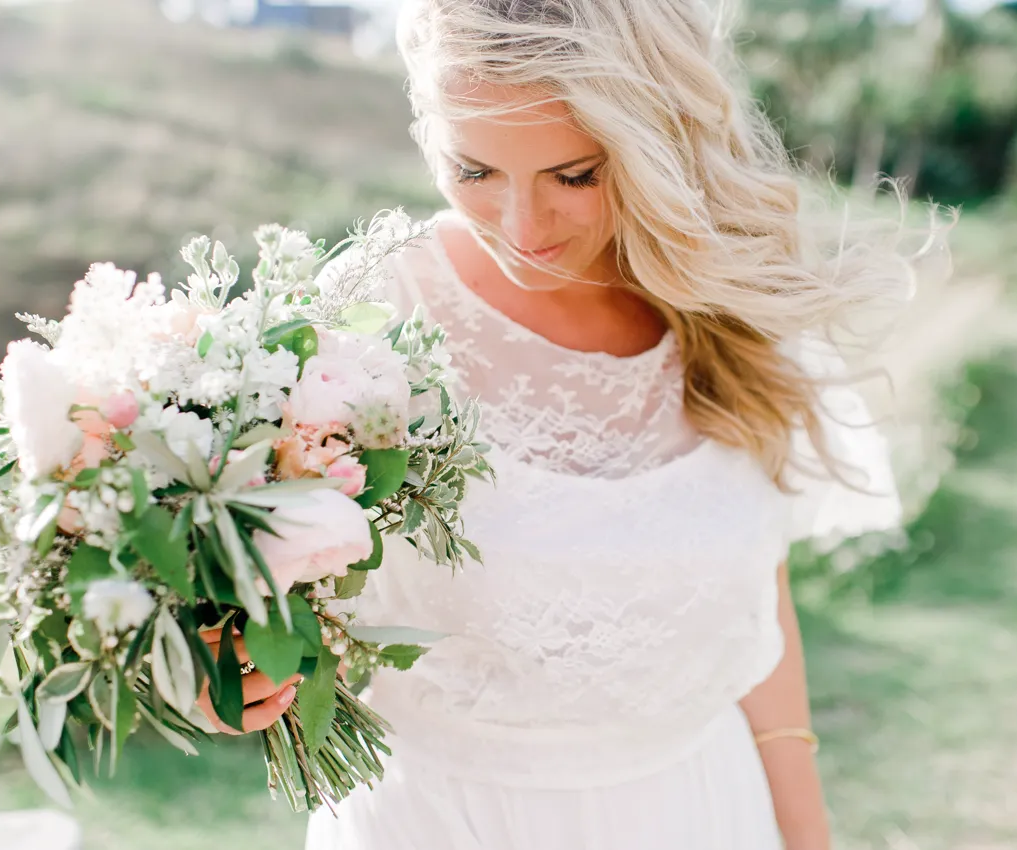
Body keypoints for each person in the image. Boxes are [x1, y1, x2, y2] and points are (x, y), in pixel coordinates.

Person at [205, 0, 927, 847]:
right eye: (474, 171)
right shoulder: (362, 323)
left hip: (702, 809)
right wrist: (219, 669)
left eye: (574, 175)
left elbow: (749, 615)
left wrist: (806, 836)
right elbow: (243, 596)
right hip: (446, 823)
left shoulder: (729, 305)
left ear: (660, 141)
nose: (520, 229)